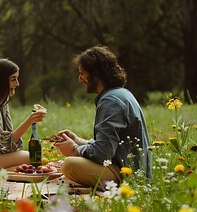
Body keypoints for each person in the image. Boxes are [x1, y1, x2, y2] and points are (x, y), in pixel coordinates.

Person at [55, 46, 151, 188]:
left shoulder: (111, 102)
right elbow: (107, 145)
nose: (80, 79)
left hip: (128, 174)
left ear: (96, 74)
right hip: (124, 165)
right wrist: (79, 141)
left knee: (70, 165)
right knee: (71, 163)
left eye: (82, 73)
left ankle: (114, 187)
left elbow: (102, 154)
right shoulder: (120, 94)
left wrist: (75, 149)